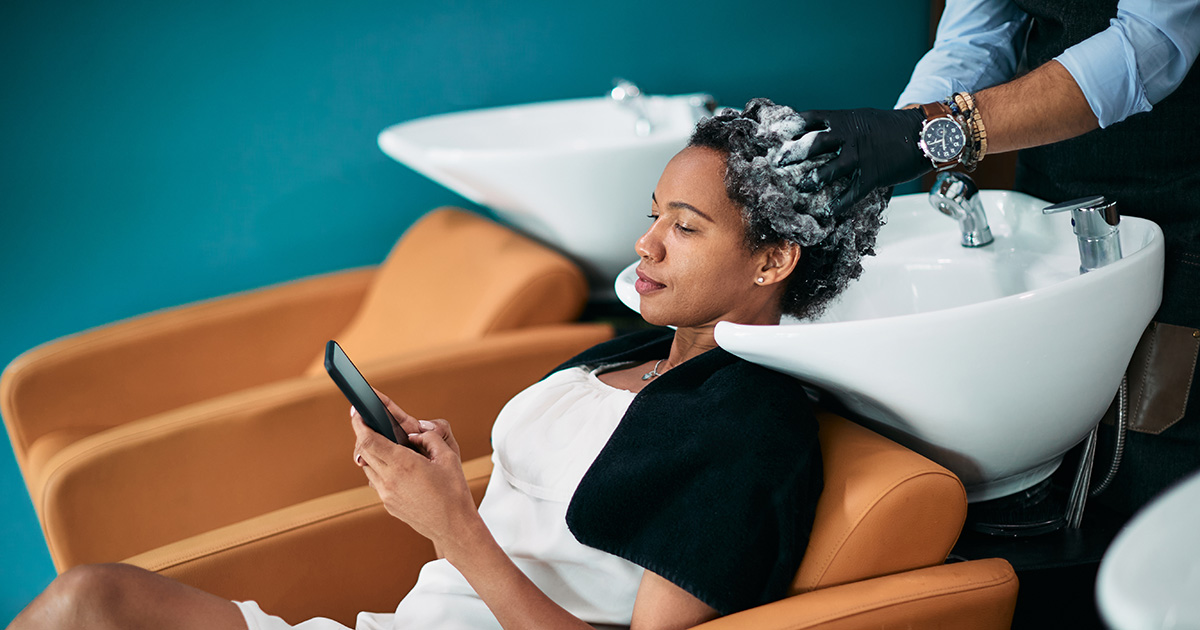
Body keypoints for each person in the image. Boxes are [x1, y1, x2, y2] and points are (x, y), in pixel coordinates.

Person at [6, 99, 889, 630]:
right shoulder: (638, 351)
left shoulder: (748, 425)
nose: (646, 242)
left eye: (684, 228)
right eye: (654, 212)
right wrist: (446, 481)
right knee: (93, 600)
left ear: (773, 262)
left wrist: (451, 527)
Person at [788, 0, 1200, 519]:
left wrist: (934, 133)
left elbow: (1150, 45)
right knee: (1056, 435)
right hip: (1050, 197)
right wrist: (891, 143)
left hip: (1180, 203)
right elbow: (975, 40)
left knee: (1150, 459)